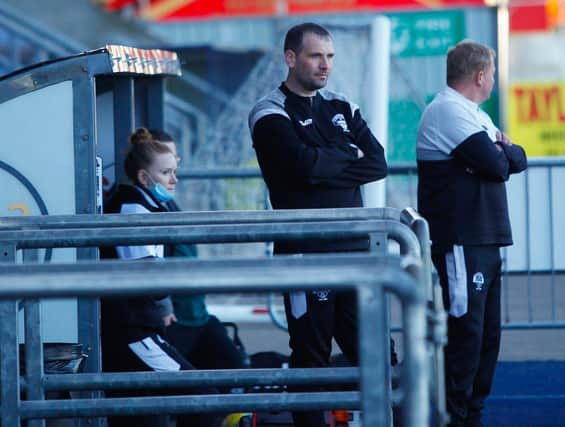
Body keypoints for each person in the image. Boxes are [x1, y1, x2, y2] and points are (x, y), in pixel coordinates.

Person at [248, 22, 388, 427]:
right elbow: (303, 169)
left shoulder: (342, 106)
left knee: (377, 354)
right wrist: (343, 156)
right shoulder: (269, 111)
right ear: (291, 58)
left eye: (329, 56)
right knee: (312, 359)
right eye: (315, 56)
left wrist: (324, 161)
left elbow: (376, 163)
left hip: (357, 253)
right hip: (306, 255)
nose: (325, 65)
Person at [415, 40, 528, 427]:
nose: (494, 81)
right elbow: (498, 165)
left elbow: (517, 159)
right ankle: (455, 417)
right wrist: (502, 153)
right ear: (480, 76)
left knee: (486, 338)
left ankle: (472, 415)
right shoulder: (448, 110)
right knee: (467, 335)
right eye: (493, 74)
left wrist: (503, 154)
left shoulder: (473, 114)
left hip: (485, 239)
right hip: (462, 241)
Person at [100, 128, 221, 427]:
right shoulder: (133, 210)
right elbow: (149, 281)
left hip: (141, 329)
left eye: (175, 171)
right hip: (133, 333)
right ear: (144, 177)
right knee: (201, 397)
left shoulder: (145, 205)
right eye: (166, 172)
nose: (174, 180)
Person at [149, 129, 249, 373]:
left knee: (235, 366)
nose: (174, 174)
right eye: (166, 166)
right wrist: (164, 310)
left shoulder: (168, 203)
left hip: (197, 316)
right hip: (174, 320)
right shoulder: (145, 210)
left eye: (175, 162)